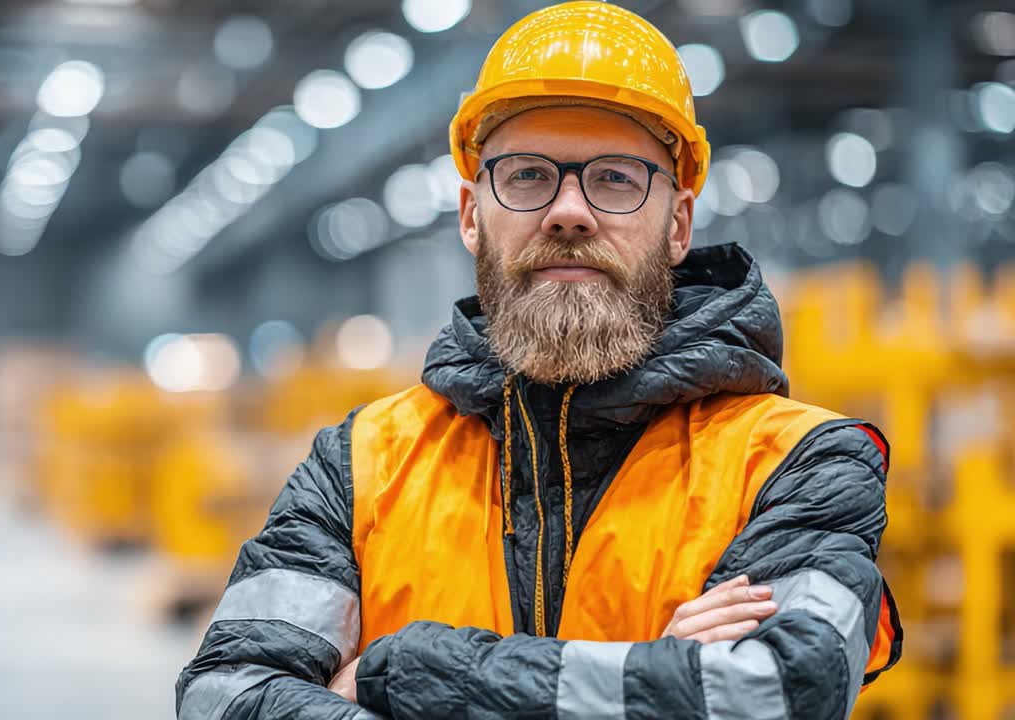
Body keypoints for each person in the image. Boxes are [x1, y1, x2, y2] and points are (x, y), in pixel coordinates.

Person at [177, 3, 902, 718]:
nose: (568, 210)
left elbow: (772, 695)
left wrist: (405, 671)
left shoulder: (801, 463)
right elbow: (225, 698)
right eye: (527, 175)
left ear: (677, 224)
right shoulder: (362, 466)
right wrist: (656, 677)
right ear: (470, 213)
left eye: (616, 178)